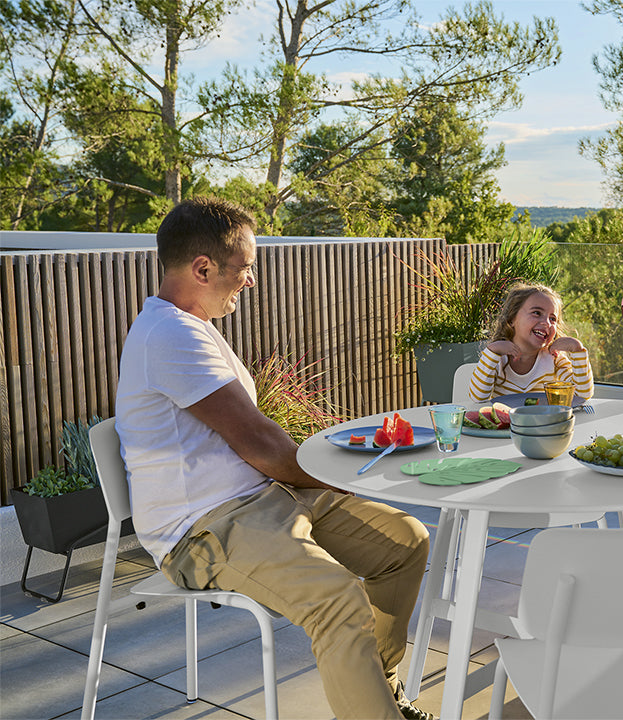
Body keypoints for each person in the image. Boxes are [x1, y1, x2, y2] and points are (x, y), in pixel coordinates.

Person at [115, 197, 434, 720]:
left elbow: (259, 445)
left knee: (405, 541)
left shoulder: (192, 327)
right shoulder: (168, 335)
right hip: (203, 528)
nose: (251, 280)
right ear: (203, 269)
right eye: (244, 267)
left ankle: (379, 694)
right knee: (337, 601)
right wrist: (338, 478)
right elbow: (260, 444)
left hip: (264, 498)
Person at [467, 281, 594, 402]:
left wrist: (577, 350)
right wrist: (492, 351)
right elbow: (478, 397)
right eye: (537, 313)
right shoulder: (496, 358)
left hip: (542, 418)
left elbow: (582, 395)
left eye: (552, 318)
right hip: (504, 418)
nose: (547, 322)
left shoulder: (554, 360)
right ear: (512, 319)